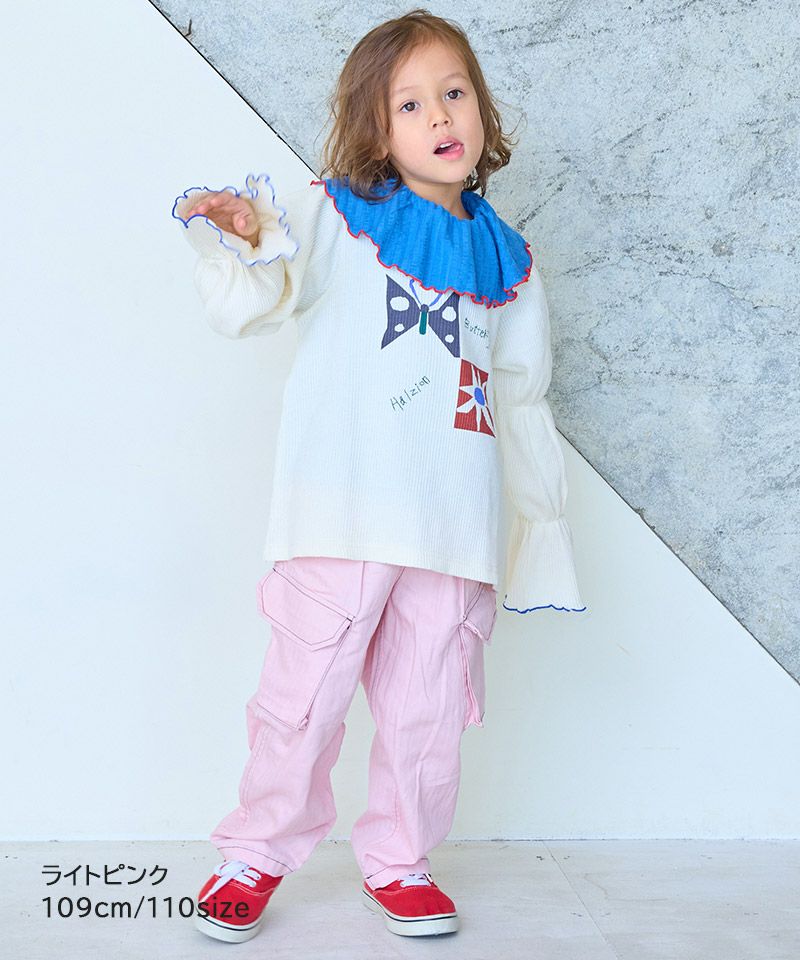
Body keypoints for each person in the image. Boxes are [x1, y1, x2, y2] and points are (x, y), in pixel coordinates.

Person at [171, 6, 588, 944]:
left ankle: (400, 858)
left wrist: (536, 531)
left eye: (455, 92)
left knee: (428, 712)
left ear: (481, 109)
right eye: (410, 103)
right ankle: (256, 851)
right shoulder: (333, 216)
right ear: (375, 127)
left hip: (454, 525)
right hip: (341, 511)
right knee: (303, 700)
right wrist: (247, 236)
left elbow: (521, 401)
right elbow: (261, 298)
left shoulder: (511, 265)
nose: (440, 114)